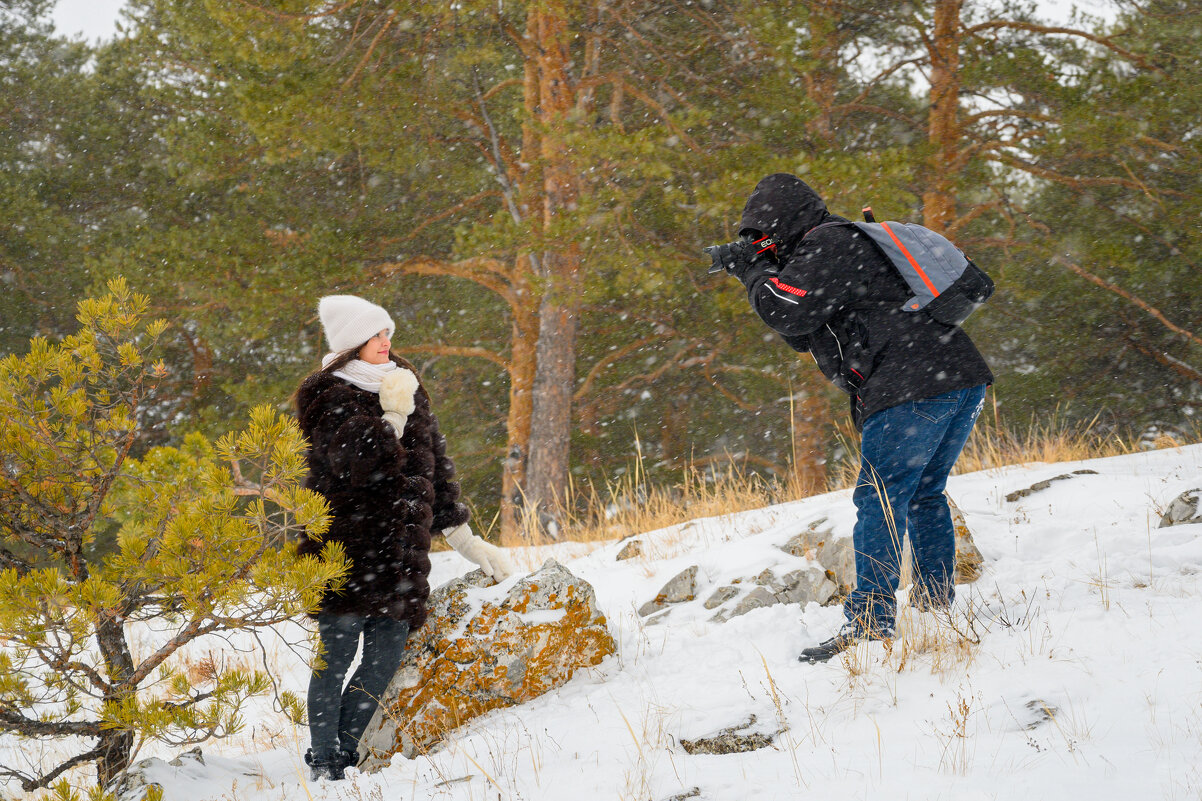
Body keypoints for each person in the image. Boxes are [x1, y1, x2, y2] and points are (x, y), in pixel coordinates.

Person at [719, 173, 993, 664]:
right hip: (956, 376)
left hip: (914, 384)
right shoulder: (838, 247)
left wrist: (754, 274)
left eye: (763, 234)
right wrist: (764, 270)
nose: (762, 245)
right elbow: (803, 333)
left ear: (785, 221)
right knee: (921, 494)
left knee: (881, 500)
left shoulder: (828, 243)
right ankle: (935, 608)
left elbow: (786, 313)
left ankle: (870, 623)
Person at [294, 294, 516, 780]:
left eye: (388, 332)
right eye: (375, 335)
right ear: (353, 343)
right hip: (344, 551)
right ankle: (322, 760)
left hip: (399, 557)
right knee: (335, 659)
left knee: (383, 661)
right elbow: (357, 465)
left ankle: (346, 756)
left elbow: (433, 471)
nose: (386, 342)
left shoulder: (405, 384)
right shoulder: (327, 396)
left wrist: (467, 540)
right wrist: (391, 416)